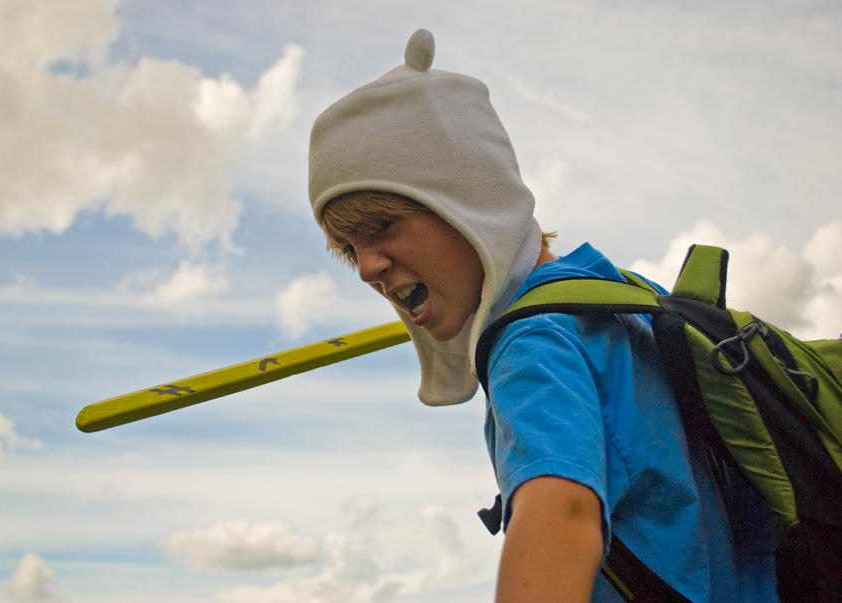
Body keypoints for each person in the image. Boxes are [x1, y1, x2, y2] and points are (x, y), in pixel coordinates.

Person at [307, 28, 778, 602]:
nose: (365, 268)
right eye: (348, 248)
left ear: (469, 202)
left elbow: (566, 513)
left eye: (382, 226)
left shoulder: (533, 344)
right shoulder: (628, 302)